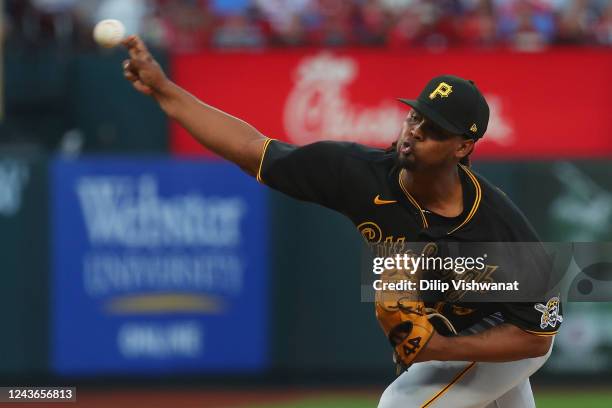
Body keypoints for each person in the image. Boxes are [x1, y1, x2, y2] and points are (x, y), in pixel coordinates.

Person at [121, 35, 562, 407]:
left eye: (434, 129)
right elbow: (251, 148)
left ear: (463, 147)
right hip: (451, 332)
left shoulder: (499, 226)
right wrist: (164, 89)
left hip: (509, 336)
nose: (415, 131)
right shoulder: (357, 173)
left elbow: (536, 337)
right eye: (415, 116)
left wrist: (439, 349)